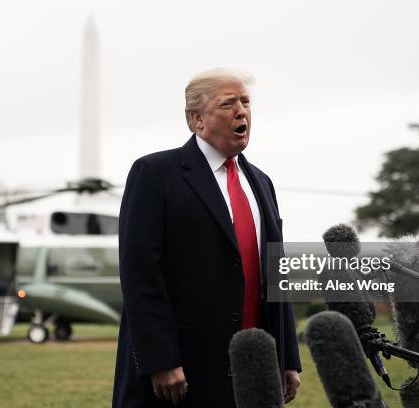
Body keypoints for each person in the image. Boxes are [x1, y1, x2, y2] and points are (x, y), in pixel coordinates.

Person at [112, 68, 301, 407]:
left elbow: (277, 274)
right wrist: (161, 360)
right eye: (228, 103)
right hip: (182, 371)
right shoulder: (155, 174)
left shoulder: (262, 182)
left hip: (254, 369)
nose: (241, 110)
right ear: (196, 119)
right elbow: (140, 274)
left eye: (246, 102)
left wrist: (287, 358)